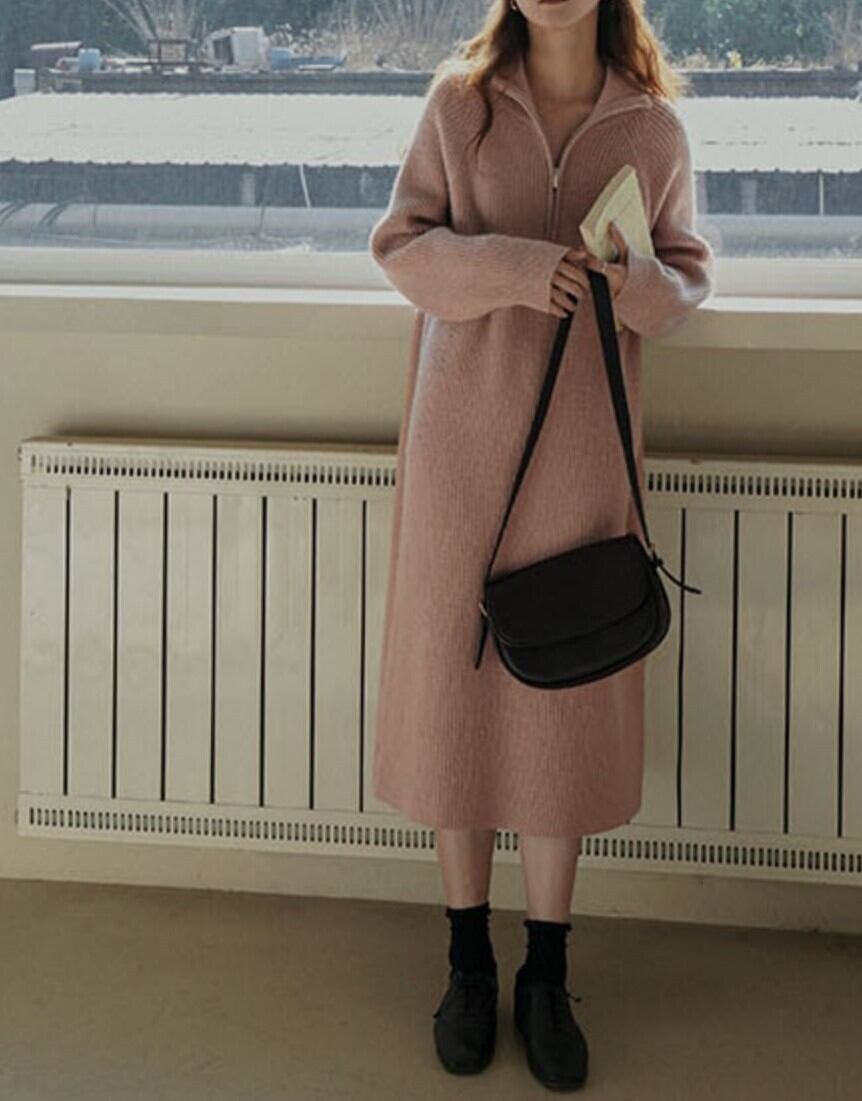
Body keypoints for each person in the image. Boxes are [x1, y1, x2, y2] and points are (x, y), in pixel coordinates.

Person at [367, 0, 713, 1089]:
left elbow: (683, 281)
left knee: (561, 711)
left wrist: (628, 281)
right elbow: (401, 247)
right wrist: (522, 269)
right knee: (457, 707)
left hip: (580, 464)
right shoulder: (458, 106)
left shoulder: (651, 127)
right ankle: (467, 963)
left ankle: (546, 975)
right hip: (459, 458)